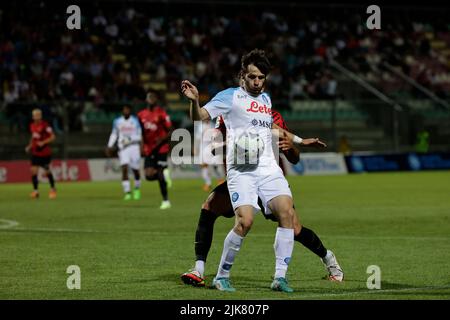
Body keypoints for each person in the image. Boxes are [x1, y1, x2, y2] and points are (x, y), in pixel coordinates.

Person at [182, 49, 303, 293]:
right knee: (245, 222)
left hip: (268, 168)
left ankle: (280, 277)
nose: (257, 82)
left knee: (287, 214)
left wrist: (299, 140)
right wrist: (195, 101)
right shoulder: (229, 97)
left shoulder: (266, 100)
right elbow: (200, 117)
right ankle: (221, 276)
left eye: (261, 78)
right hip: (242, 170)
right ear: (242, 76)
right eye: (252, 77)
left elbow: (272, 128)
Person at [181, 110, 344, 288]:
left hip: (268, 181)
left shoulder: (272, 117)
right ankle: (198, 270)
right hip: (241, 179)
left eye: (259, 79)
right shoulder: (228, 114)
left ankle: (328, 258)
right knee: (209, 207)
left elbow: (294, 158)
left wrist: (291, 148)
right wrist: (235, 144)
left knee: (295, 229)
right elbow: (215, 147)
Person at [137, 90, 173, 210]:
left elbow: (170, 130)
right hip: (149, 149)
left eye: (153, 97)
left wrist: (161, 140)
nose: (151, 99)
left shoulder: (161, 113)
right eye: (149, 97)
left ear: (156, 100)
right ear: (146, 100)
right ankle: (163, 175)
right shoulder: (141, 115)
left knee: (160, 174)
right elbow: (140, 132)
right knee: (148, 176)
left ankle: (166, 200)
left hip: (161, 148)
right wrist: (142, 146)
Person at [106, 105, 142, 200]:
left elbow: (139, 136)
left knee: (136, 171)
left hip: (134, 147)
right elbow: (114, 134)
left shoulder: (135, 121)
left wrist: (128, 140)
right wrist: (109, 146)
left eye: (127, 109)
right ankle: (127, 192)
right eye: (124, 109)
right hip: (123, 148)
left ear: (130, 111)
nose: (126, 111)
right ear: (122, 111)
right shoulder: (117, 121)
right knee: (124, 168)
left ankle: (137, 188)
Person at [25, 108, 57, 199]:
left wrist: (43, 142)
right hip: (35, 152)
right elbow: (33, 137)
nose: (37, 116)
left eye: (38, 115)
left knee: (47, 172)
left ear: (41, 116)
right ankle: (36, 191)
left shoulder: (46, 125)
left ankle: (53, 189)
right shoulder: (32, 126)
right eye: (35, 115)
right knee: (33, 171)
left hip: (45, 153)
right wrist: (29, 146)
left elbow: (53, 137)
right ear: (33, 116)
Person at [194, 118, 225, 192]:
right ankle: (208, 183)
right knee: (204, 166)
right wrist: (195, 148)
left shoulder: (212, 124)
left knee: (215, 165)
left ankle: (219, 180)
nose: (206, 118)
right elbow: (198, 138)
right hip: (203, 148)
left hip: (212, 147)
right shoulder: (200, 126)